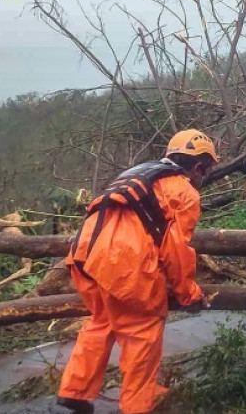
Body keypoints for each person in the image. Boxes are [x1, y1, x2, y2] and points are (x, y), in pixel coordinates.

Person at [57, 130, 218, 414]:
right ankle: (137, 406)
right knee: (142, 332)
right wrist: (189, 294)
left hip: (83, 258)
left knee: (102, 321)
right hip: (122, 264)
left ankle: (75, 391)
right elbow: (176, 250)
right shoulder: (184, 191)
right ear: (198, 167)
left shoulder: (137, 174)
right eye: (206, 171)